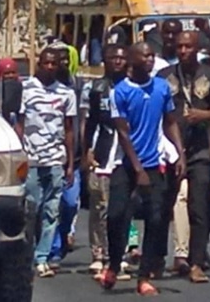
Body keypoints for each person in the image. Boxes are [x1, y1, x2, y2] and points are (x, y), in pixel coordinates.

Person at [102, 42, 185, 296]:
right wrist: (137, 169)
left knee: (156, 219)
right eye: (145, 55)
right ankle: (115, 263)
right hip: (126, 165)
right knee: (117, 216)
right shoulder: (120, 92)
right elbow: (124, 133)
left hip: (153, 164)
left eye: (152, 56)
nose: (150, 60)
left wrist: (180, 153)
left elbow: (170, 122)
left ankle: (144, 276)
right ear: (132, 59)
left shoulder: (161, 88)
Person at [158, 31, 210, 283]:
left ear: (197, 48)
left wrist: (204, 116)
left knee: (198, 208)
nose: (183, 51)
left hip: (200, 151)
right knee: (160, 207)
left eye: (188, 46)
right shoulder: (164, 76)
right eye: (179, 46)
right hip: (168, 151)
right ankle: (156, 259)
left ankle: (196, 262)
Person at [15, 48, 77, 278]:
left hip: (55, 159)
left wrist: (70, 163)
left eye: (54, 64)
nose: (50, 67)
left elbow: (69, 129)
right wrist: (19, 155)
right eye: (46, 63)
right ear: (39, 64)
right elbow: (19, 124)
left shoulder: (66, 93)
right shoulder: (26, 89)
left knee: (52, 211)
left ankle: (42, 258)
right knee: (31, 208)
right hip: (31, 159)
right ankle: (25, 253)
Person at [80, 44, 130, 279]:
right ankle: (98, 254)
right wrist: (86, 151)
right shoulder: (97, 88)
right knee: (98, 206)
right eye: (113, 58)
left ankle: (117, 255)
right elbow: (90, 123)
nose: (118, 62)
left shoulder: (133, 88)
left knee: (119, 209)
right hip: (102, 153)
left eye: (122, 58)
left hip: (125, 155)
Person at [47, 43, 83, 267]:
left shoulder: (78, 87)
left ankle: (63, 234)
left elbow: (82, 122)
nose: (60, 64)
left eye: (64, 60)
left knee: (69, 205)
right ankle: (53, 250)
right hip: (48, 157)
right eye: (55, 60)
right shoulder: (41, 89)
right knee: (49, 207)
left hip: (74, 159)